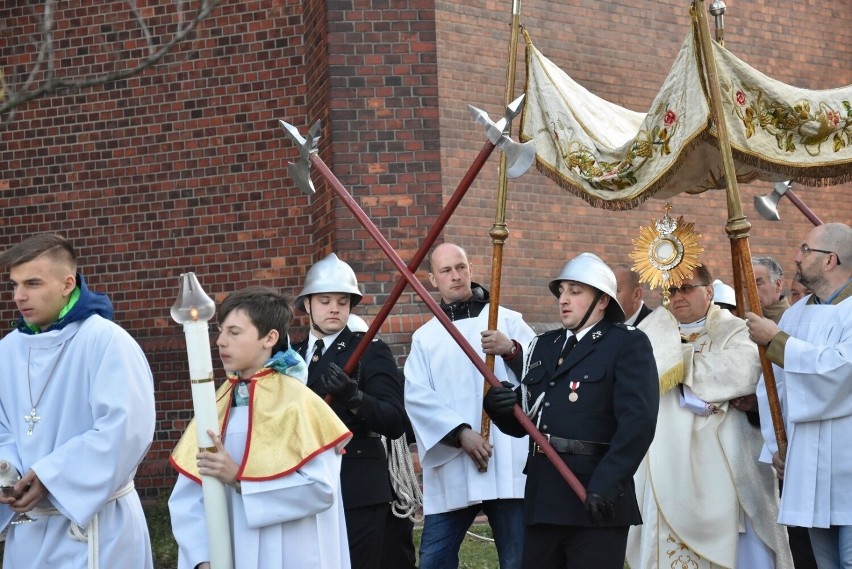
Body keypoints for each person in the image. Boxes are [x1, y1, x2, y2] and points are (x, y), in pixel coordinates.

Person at [483, 252, 659, 569]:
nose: (563, 299)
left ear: (602, 301)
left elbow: (638, 426)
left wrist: (606, 485)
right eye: (561, 291)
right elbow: (526, 420)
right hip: (545, 494)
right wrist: (500, 409)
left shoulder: (626, 344)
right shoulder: (543, 345)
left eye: (575, 292)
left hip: (594, 493)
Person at [0, 233, 156, 569]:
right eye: (14, 285)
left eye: (33, 283)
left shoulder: (106, 342)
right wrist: (7, 471)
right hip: (28, 531)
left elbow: (124, 431)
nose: (19, 296)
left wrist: (50, 476)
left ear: (67, 283)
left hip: (95, 529)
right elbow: (3, 429)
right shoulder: (8, 350)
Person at [169, 286, 352, 569]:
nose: (220, 341)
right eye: (221, 330)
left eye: (234, 332)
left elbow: (320, 490)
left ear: (270, 338)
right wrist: (202, 559)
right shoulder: (214, 407)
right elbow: (188, 497)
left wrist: (240, 481)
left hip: (292, 552)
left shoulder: (300, 404)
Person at [626, 264, 793, 569]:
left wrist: (676, 361)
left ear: (709, 291)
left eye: (686, 287)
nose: (678, 297)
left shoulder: (736, 329)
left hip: (723, 461)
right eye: (671, 290)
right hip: (665, 461)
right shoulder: (648, 333)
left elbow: (742, 372)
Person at [404, 242, 535, 569]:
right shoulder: (425, 337)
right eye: (446, 270)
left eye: (461, 267)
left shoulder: (507, 321)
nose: (456, 276)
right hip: (454, 462)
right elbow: (417, 396)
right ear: (433, 279)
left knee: (519, 560)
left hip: (506, 459)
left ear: (471, 269)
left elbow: (543, 375)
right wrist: (460, 432)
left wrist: (512, 351)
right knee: (434, 560)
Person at [746, 222, 852, 569]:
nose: (796, 256)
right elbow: (773, 389)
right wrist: (779, 445)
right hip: (807, 468)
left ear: (830, 260)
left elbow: (839, 372)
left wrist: (777, 341)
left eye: (805, 250)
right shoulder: (795, 313)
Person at [292, 253, 407, 569]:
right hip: (304, 481)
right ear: (307, 305)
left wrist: (354, 396)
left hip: (356, 483)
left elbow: (395, 420)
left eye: (343, 302)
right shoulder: (290, 356)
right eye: (325, 300)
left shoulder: (369, 350)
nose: (334, 308)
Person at [753, 255, 790, 323]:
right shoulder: (743, 320)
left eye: (758, 284)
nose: (751, 292)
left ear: (778, 285)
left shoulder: (792, 319)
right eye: (746, 286)